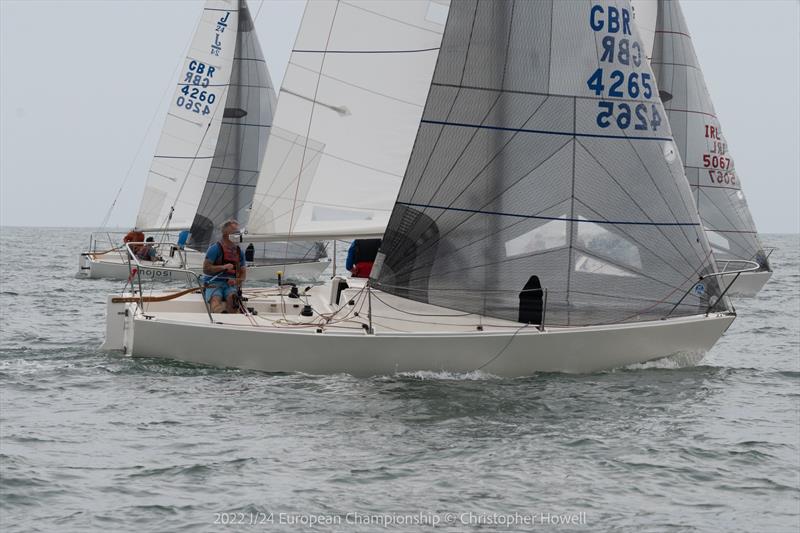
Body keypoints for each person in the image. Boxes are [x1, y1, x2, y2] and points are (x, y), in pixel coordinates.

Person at [202, 219, 247, 313]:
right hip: (214, 283)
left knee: (233, 299)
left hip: (231, 285)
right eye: (235, 233)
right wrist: (223, 267)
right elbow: (206, 269)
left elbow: (243, 274)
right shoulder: (215, 249)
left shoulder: (240, 252)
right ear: (225, 234)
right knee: (215, 299)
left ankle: (231, 320)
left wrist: (236, 281)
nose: (237, 235)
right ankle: (221, 315)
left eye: (238, 233)